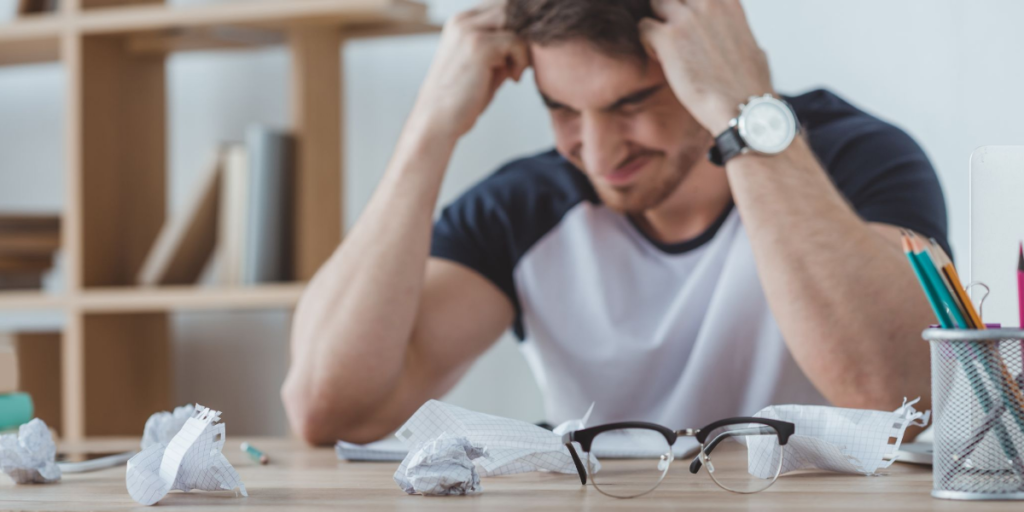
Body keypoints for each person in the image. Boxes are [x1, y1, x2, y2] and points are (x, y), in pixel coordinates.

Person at [282, 0, 947, 445]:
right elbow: (329, 408)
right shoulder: (525, 206)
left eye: (632, 103)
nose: (598, 155)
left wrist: (743, 105)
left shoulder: (852, 163)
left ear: (705, 57)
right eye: (562, 109)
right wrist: (430, 129)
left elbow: (899, 399)